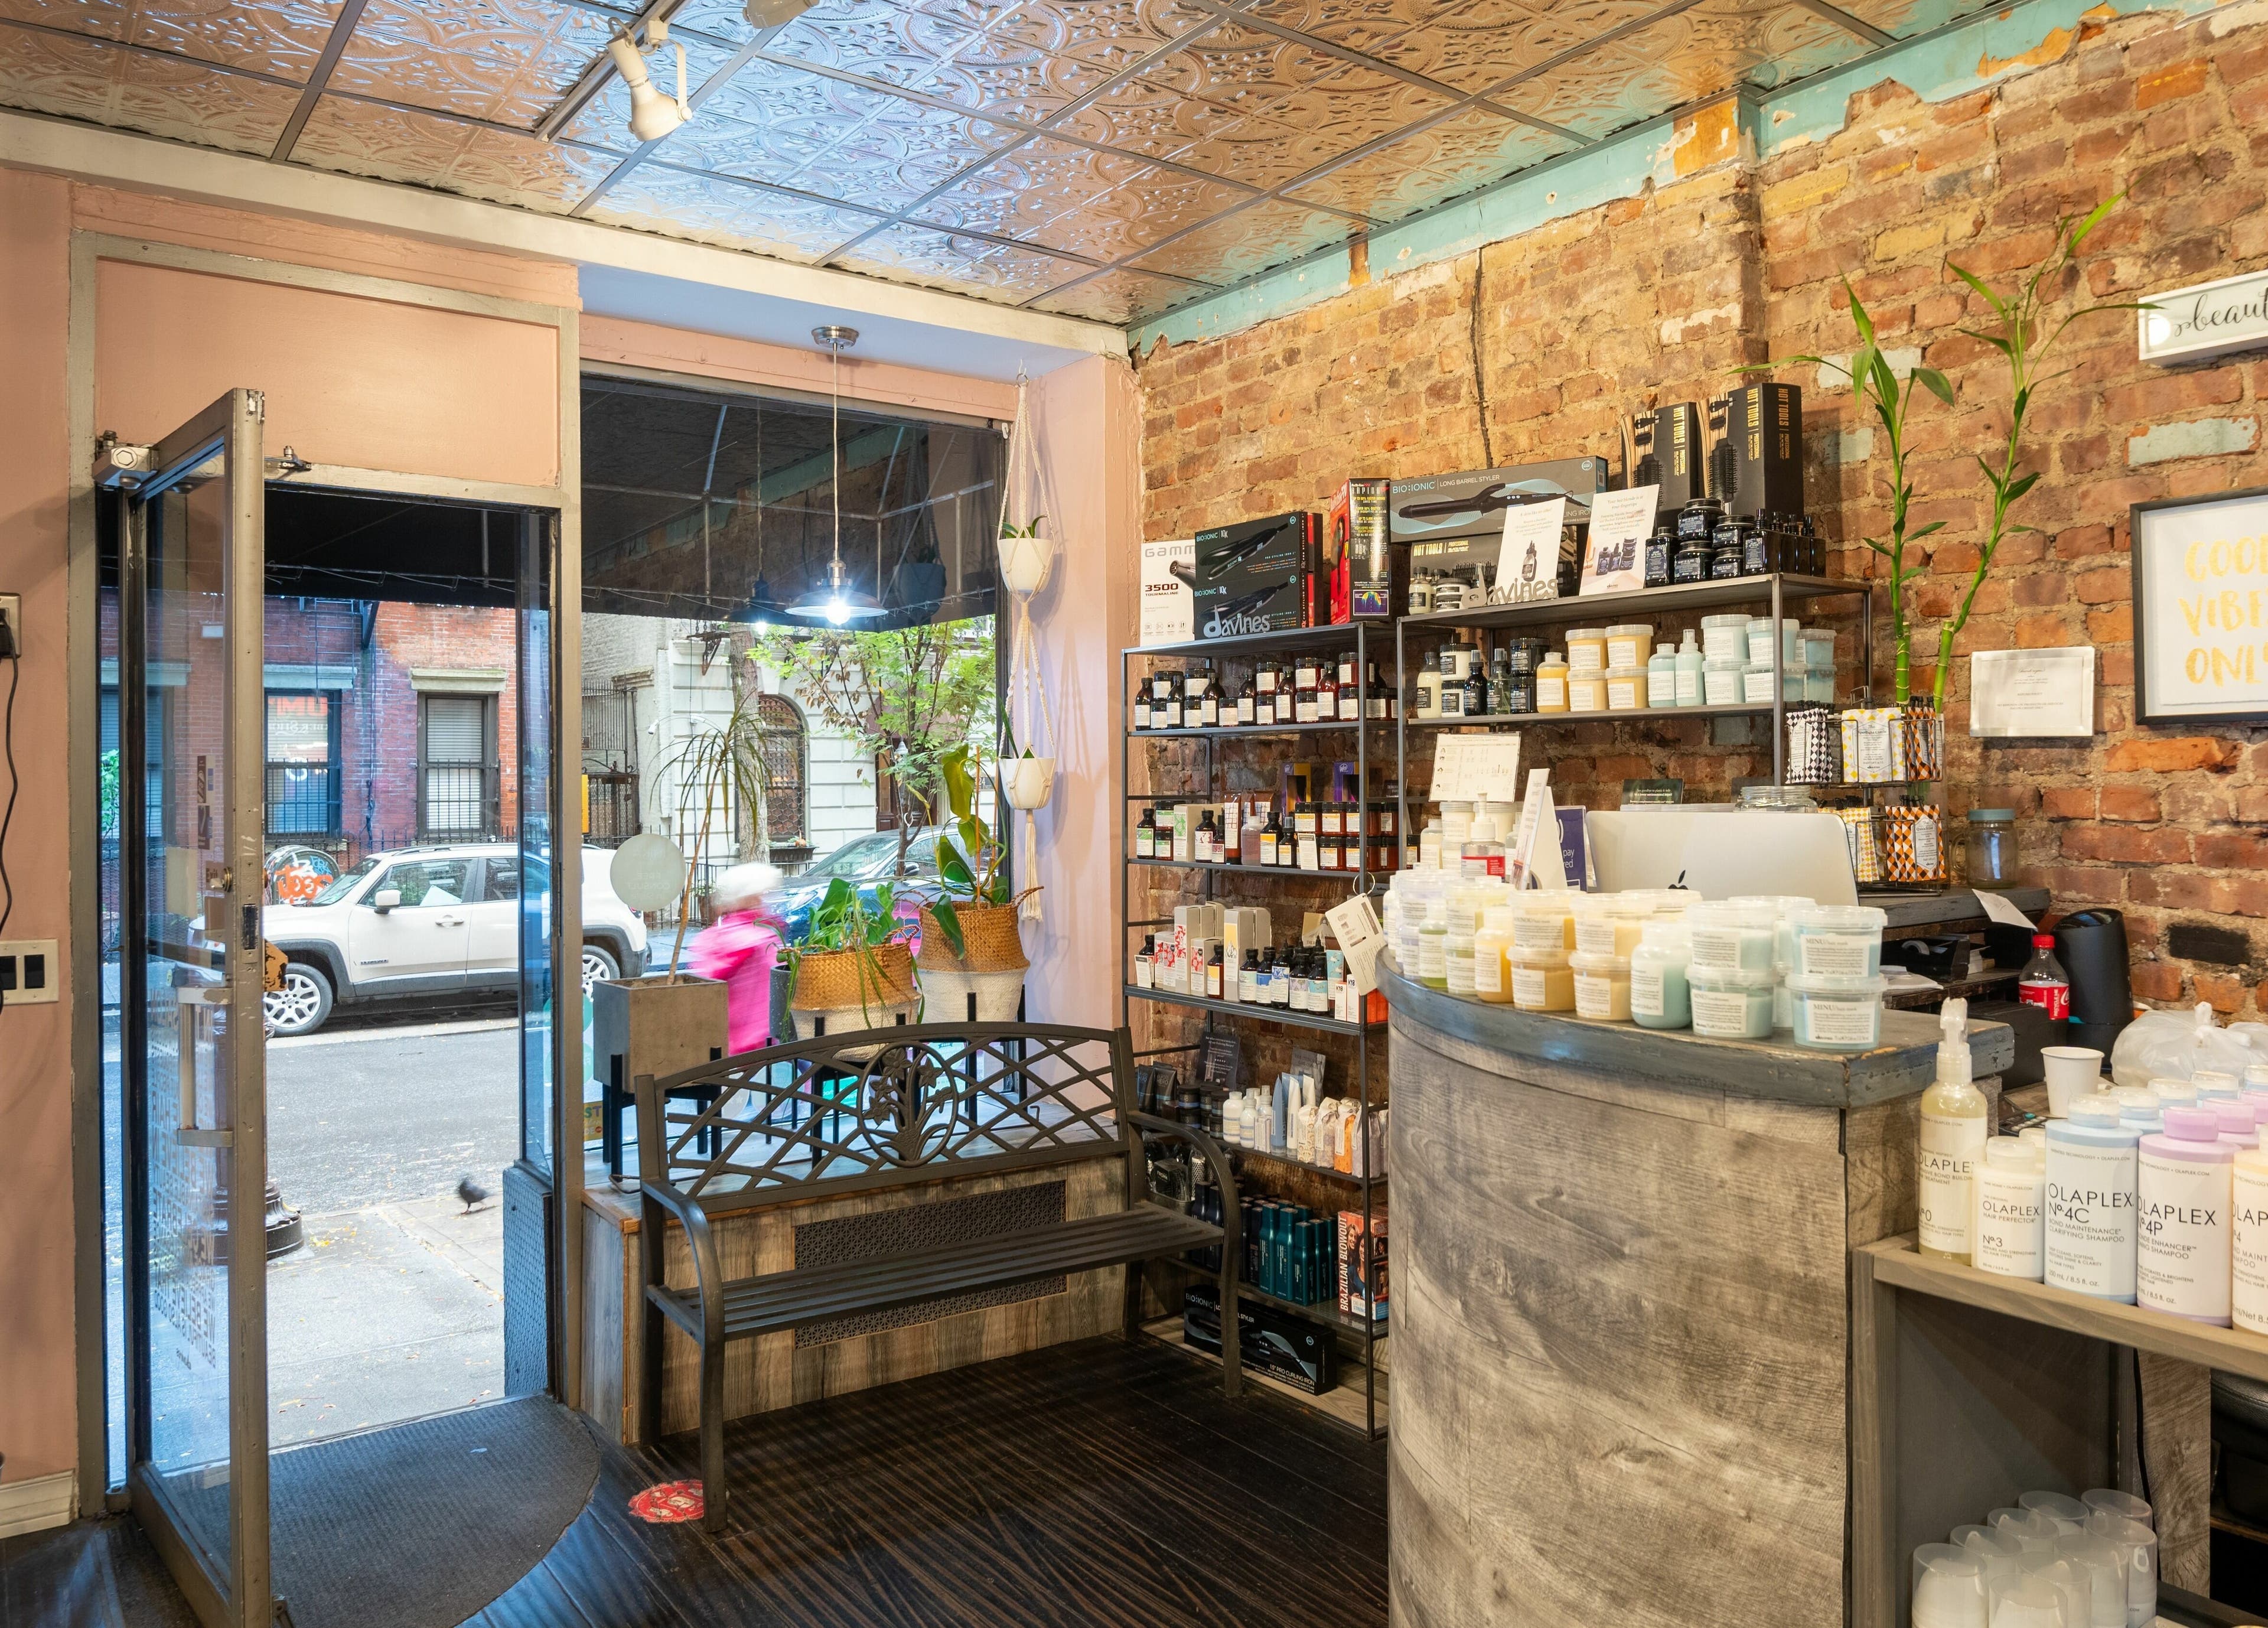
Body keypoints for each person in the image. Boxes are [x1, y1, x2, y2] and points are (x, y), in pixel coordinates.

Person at [689, 862, 786, 1056]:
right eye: (761, 894)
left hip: (740, 1040)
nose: (764, 899)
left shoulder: (720, 936)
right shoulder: (755, 936)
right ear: (750, 898)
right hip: (753, 1040)